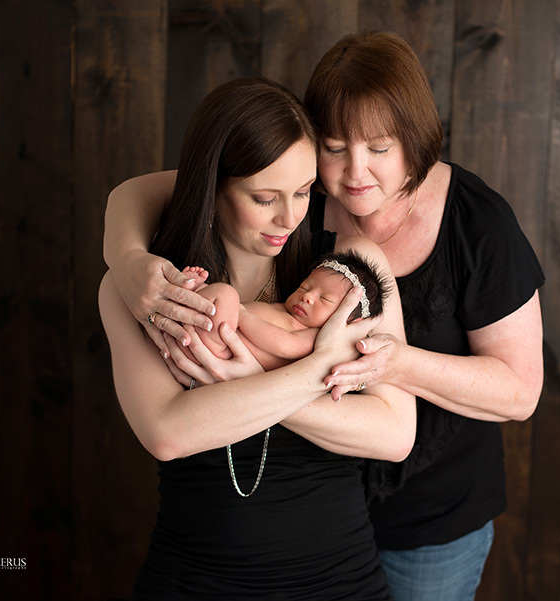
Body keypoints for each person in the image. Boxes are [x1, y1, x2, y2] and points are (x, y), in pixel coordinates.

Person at [104, 31, 545, 601]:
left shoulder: (449, 231)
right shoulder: (299, 211)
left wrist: (381, 361)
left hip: (426, 517)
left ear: (413, 141)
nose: (354, 174)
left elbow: (507, 395)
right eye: (334, 149)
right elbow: (171, 186)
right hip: (287, 527)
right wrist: (127, 256)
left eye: (380, 149)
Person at [99, 76, 415, 599]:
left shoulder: (348, 272)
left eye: (302, 192)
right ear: (214, 186)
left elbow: (394, 433)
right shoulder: (148, 291)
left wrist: (249, 379)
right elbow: (167, 434)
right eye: (264, 198)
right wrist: (315, 373)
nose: (290, 217)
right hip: (196, 582)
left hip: (341, 583)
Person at [182, 250, 391, 370]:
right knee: (221, 297)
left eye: (324, 299)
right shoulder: (285, 309)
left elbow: (284, 345)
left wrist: (243, 315)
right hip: (210, 335)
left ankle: (194, 293)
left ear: (344, 320)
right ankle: (193, 293)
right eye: (305, 287)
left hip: (221, 351)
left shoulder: (315, 336)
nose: (307, 297)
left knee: (226, 294)